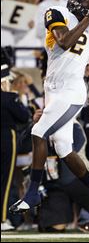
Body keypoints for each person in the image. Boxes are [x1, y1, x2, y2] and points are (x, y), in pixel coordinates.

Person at [9, 0, 89, 220]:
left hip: (71, 91)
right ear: (76, 2)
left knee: (39, 132)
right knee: (64, 150)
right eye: (88, 2)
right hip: (53, 90)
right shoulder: (57, 12)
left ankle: (33, 193)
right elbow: (64, 42)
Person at [1, 54, 30, 231]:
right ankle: (2, 218)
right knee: (5, 180)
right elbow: (24, 116)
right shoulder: (9, 98)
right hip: (6, 137)